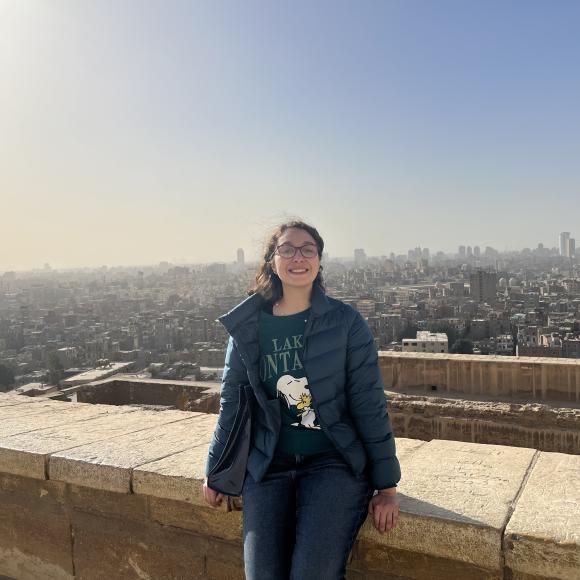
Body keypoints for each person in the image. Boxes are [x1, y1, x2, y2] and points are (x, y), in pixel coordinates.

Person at [204, 219, 401, 579]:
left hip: (333, 463)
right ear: (272, 260)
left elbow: (368, 404)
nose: (298, 257)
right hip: (269, 463)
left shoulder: (345, 323)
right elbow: (232, 404)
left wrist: (387, 487)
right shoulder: (247, 326)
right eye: (287, 249)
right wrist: (216, 471)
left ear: (319, 259)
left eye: (308, 249)